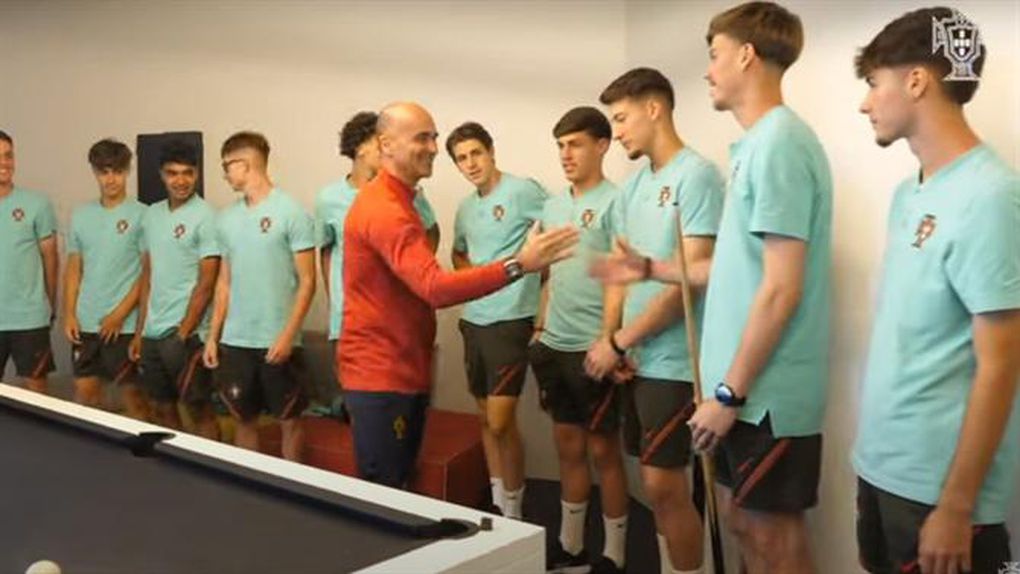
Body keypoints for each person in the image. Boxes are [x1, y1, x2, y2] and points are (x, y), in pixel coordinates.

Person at [852, 8, 1020, 574]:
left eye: (873, 83)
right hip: (881, 467)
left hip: (938, 493)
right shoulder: (909, 193)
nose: (865, 103)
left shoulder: (991, 196)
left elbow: (1002, 364)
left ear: (917, 81)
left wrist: (956, 506)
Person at [337, 101, 577, 490]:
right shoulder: (384, 209)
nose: (434, 148)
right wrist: (518, 264)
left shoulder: (404, 200)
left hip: (406, 368)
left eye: (434, 138)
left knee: (402, 484)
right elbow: (434, 286)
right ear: (387, 144)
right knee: (387, 492)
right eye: (422, 138)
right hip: (382, 375)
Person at [587, 67, 725, 574]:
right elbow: (619, 273)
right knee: (654, 486)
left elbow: (690, 278)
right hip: (637, 357)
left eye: (622, 119)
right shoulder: (634, 187)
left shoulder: (698, 176)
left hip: (677, 361)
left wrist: (619, 342)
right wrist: (612, 337)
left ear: (654, 109)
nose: (618, 131)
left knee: (665, 486)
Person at [527, 107, 629, 573]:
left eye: (576, 144)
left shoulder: (616, 202)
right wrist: (540, 328)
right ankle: (572, 549)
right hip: (554, 345)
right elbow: (551, 273)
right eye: (561, 146)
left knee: (604, 452)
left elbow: (621, 278)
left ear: (602, 145)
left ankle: (615, 554)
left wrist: (610, 341)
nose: (566, 154)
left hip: (594, 350)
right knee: (567, 448)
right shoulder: (552, 206)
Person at [448, 121, 548, 519]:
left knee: (500, 420)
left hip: (512, 319)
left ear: (491, 152)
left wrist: (543, 299)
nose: (471, 163)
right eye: (461, 159)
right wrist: (473, 278)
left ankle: (514, 512)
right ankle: (497, 503)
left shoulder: (524, 191)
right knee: (485, 421)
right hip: (474, 320)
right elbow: (458, 252)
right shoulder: (465, 208)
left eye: (476, 153)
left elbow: (555, 238)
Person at [203, 131, 315, 462]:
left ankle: (293, 485)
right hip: (236, 341)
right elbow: (224, 283)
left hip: (277, 340)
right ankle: (248, 481)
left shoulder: (292, 212)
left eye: (227, 166)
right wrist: (213, 337)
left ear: (244, 164)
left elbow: (308, 281)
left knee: (289, 421)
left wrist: (287, 336)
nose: (225, 175)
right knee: (243, 419)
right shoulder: (226, 219)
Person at [316, 111, 440, 354]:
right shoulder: (329, 199)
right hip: (351, 321)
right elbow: (327, 251)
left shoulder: (406, 192)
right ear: (360, 148)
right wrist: (336, 301)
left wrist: (411, 270)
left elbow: (431, 232)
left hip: (397, 318)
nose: (387, 151)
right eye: (380, 144)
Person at [131, 140, 221, 440]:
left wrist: (183, 332)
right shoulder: (151, 215)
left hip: (187, 336)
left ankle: (212, 466)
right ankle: (175, 462)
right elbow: (148, 275)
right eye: (172, 173)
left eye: (187, 173)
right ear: (161, 174)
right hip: (153, 334)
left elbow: (207, 282)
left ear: (197, 174)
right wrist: (140, 332)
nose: (180, 180)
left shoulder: (207, 216)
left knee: (199, 409)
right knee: (161, 408)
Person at [64, 138, 150, 420]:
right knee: (86, 398)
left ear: (127, 171)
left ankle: (141, 451)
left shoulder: (143, 215)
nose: (111, 179)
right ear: (94, 172)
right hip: (86, 323)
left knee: (135, 400)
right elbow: (74, 269)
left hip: (124, 326)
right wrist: (69, 314)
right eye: (104, 172)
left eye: (117, 171)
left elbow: (147, 274)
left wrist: (119, 315)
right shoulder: (80, 215)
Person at [0, 130, 58, 394]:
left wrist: (50, 304)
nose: (4, 163)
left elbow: (50, 258)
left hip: (29, 319)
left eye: (8, 156)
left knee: (37, 396)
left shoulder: (37, 204)